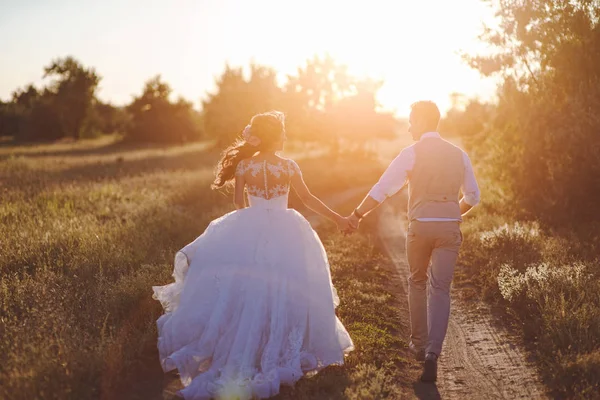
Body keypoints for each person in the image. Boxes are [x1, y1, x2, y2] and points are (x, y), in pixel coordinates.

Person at [152, 110, 354, 399]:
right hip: (288, 229)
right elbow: (308, 199)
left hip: (249, 226)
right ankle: (278, 341)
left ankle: (244, 342)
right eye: (283, 132)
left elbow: (239, 204)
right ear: (276, 136)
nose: (286, 136)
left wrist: (253, 226)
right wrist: (338, 219)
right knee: (286, 285)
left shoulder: (245, 166)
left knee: (246, 289)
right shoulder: (289, 166)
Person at [345, 101, 480, 382]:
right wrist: (452, 212)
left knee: (417, 281)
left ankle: (418, 345)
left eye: (410, 121)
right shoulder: (459, 154)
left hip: (420, 227)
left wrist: (358, 214)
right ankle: (433, 353)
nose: (408, 126)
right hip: (449, 228)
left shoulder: (411, 153)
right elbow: (473, 197)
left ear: (421, 121)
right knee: (441, 288)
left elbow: (383, 189)